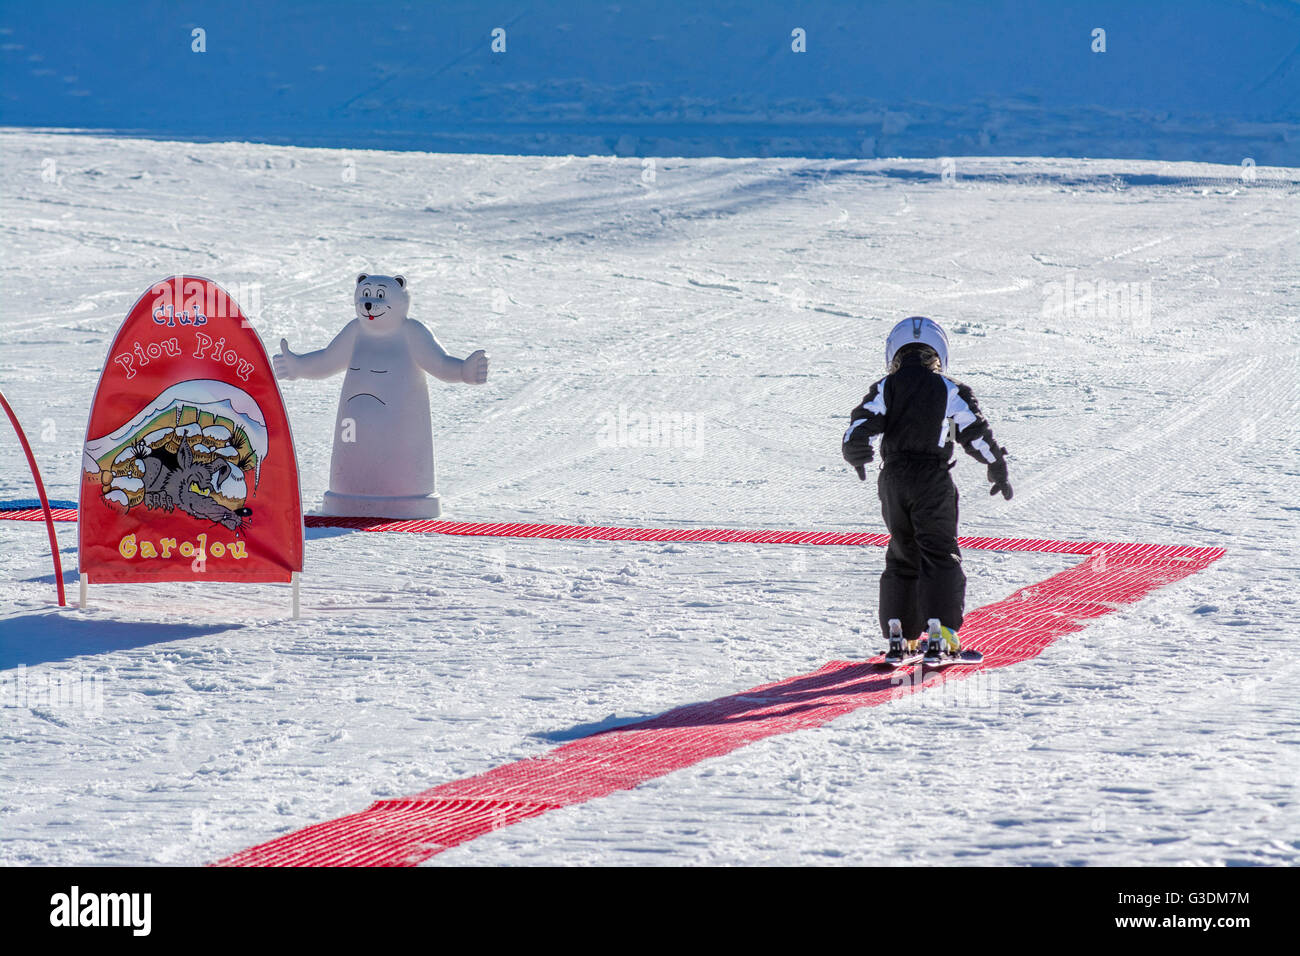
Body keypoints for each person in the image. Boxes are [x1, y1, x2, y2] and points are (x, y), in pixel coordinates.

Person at [841, 316, 1012, 664]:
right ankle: (943, 635)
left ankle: (899, 635)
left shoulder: (884, 387)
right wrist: (996, 466)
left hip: (893, 480)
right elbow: (973, 432)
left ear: (895, 353)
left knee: (902, 551)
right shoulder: (950, 390)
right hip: (932, 479)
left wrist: (856, 450)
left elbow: (862, 424)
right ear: (940, 352)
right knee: (939, 552)